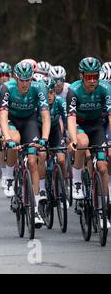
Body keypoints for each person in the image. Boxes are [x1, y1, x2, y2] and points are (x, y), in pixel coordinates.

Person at [0, 60, 50, 228]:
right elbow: (3, 115)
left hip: (29, 121)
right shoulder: (7, 88)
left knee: (34, 160)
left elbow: (45, 115)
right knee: (14, 141)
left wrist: (44, 138)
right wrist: (6, 138)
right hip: (12, 121)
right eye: (22, 80)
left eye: (28, 80)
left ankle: (34, 208)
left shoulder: (39, 87)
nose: (25, 83)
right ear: (16, 78)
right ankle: (9, 176)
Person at [66, 57, 111, 229]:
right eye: (88, 77)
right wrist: (73, 139)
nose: (92, 81)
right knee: (82, 142)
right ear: (82, 76)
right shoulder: (74, 90)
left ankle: (102, 210)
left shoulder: (106, 88)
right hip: (79, 124)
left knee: (102, 166)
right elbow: (70, 118)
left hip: (97, 126)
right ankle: (77, 181)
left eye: (95, 76)